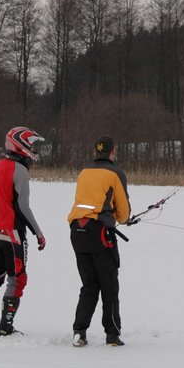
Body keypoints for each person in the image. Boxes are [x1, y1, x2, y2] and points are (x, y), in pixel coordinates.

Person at [0, 126, 47, 335]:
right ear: (20, 145)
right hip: (13, 234)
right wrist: (38, 233)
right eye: (31, 144)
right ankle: (6, 327)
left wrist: (1, 214)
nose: (33, 148)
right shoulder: (20, 170)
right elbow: (23, 207)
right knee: (18, 278)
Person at [67, 135, 131, 347]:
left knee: (89, 285)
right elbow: (123, 214)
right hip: (101, 235)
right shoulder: (115, 173)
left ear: (96, 152)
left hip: (77, 231)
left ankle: (79, 331)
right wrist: (122, 218)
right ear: (112, 152)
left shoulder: (84, 172)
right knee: (109, 285)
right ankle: (112, 334)